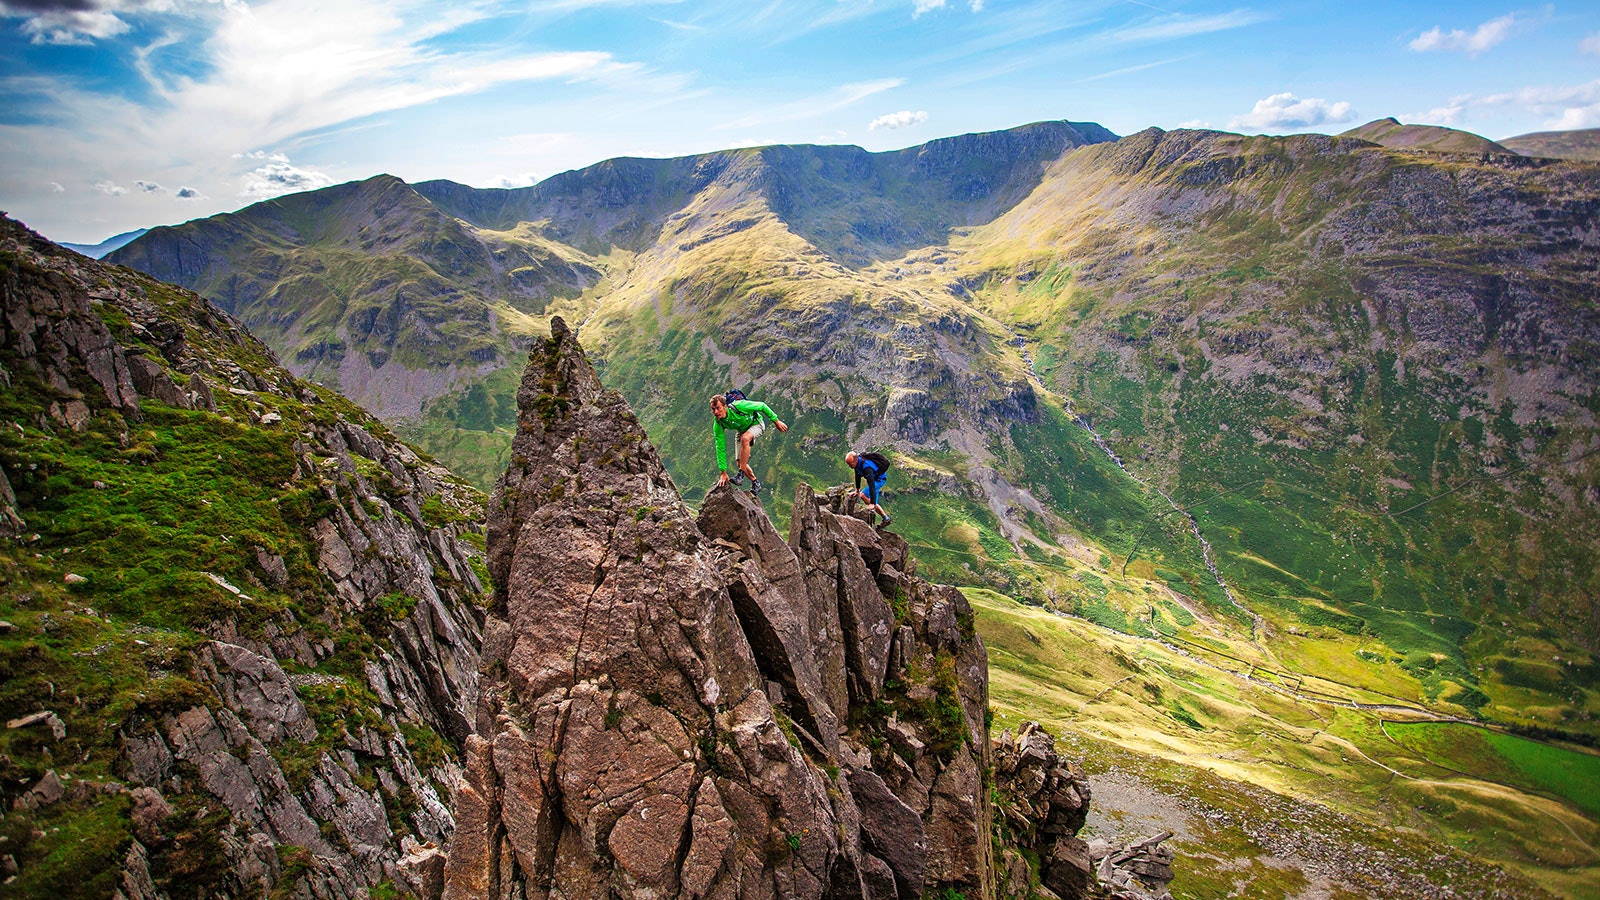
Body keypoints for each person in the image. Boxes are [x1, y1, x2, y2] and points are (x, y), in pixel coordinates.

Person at [711, 393, 788, 495]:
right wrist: (723, 472)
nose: (716, 412)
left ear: (725, 406)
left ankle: (740, 474)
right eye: (713, 409)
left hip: (756, 424)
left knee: (745, 438)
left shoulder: (739, 406)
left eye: (718, 408)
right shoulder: (718, 423)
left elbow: (762, 406)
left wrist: (776, 421)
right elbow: (720, 447)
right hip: (742, 430)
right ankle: (755, 483)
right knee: (740, 462)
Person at [845, 450, 891, 525]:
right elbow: (857, 476)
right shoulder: (857, 464)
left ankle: (874, 507)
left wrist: (872, 503)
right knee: (870, 500)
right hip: (876, 479)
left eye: (850, 464)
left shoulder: (866, 467)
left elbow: (871, 485)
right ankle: (886, 518)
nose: (849, 466)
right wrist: (857, 490)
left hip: (879, 480)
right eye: (848, 464)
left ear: (856, 460)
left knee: (863, 494)